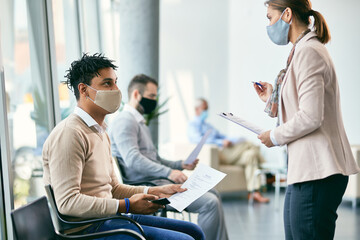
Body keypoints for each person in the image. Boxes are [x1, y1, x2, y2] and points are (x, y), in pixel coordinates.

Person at [42, 53, 205, 240]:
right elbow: (68, 203)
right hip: (88, 229)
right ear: (84, 90)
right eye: (107, 83)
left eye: (115, 82)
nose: (116, 90)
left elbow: (113, 188)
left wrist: (154, 191)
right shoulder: (70, 134)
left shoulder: (100, 131)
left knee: (194, 231)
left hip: (108, 218)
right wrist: (126, 205)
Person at [254, 1, 360, 239]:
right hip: (306, 169)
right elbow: (300, 106)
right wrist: (273, 97)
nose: (269, 24)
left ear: (287, 14)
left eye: (270, 17)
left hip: (318, 171)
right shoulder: (301, 51)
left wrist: (273, 136)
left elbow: (311, 116)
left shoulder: (309, 52)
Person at [109, 74, 229, 240]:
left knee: (214, 193)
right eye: (151, 96)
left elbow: (155, 159)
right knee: (210, 203)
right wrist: (169, 173)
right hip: (149, 186)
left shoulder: (139, 122)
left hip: (158, 181)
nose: (154, 100)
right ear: (136, 94)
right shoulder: (125, 121)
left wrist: (180, 164)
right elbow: (133, 159)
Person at [188, 98, 270, 203]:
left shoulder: (208, 125)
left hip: (229, 153)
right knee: (247, 144)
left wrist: (232, 140)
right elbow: (197, 140)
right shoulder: (193, 125)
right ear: (197, 109)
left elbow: (223, 136)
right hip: (219, 153)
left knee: (251, 154)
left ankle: (254, 193)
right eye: (205, 108)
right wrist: (220, 142)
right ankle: (267, 168)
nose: (206, 111)